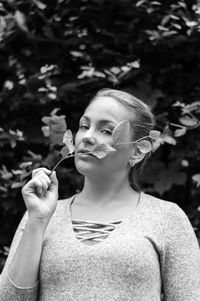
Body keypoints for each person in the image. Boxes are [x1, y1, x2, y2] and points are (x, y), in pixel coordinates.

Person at [0, 88, 200, 301]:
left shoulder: (167, 218)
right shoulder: (41, 215)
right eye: (84, 126)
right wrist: (38, 221)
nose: (86, 137)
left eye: (106, 131)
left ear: (137, 150)